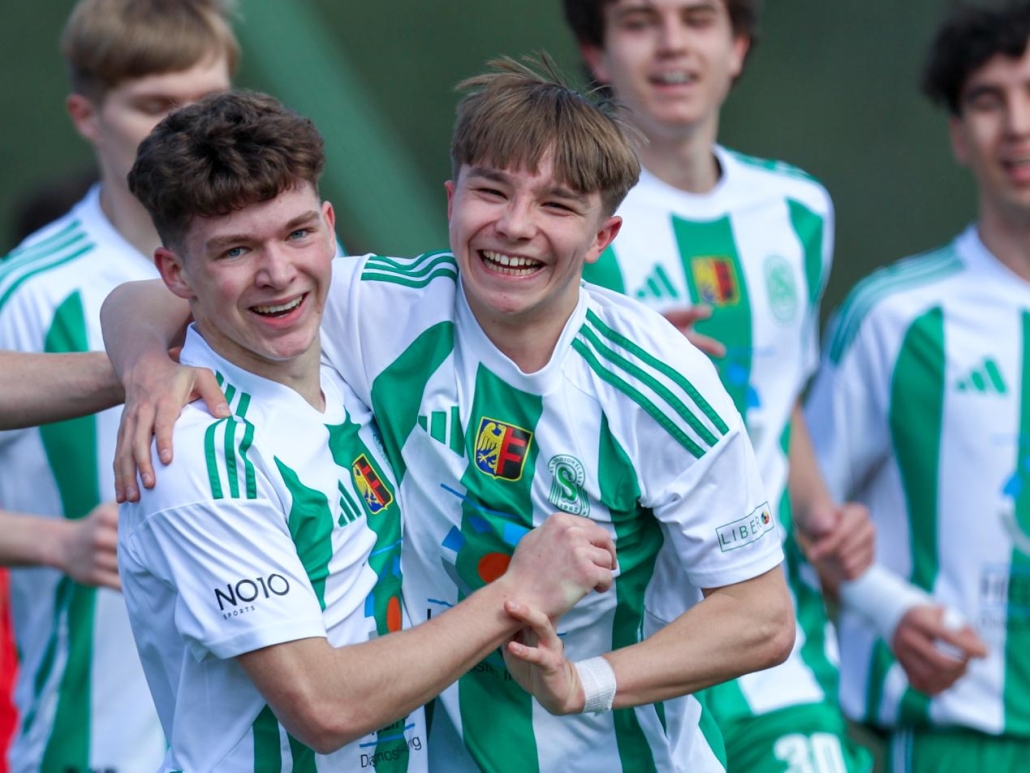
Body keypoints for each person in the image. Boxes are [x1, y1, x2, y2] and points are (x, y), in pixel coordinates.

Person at [104, 55, 794, 772]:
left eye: (557, 206)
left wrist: (583, 683)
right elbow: (165, 291)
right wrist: (145, 363)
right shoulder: (378, 308)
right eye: (491, 192)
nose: (515, 226)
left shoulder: (661, 382)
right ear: (451, 200)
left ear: (602, 237)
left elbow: (762, 617)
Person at [120, 87, 617, 769]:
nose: (279, 274)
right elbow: (323, 708)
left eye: (298, 234)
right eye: (235, 251)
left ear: (330, 227)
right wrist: (519, 591)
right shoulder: (198, 453)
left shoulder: (347, 364)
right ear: (176, 273)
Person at [562, 1, 874, 770]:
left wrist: (821, 515)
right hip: (624, 648)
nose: (672, 44)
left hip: (777, 645)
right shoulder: (563, 220)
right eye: (641, 21)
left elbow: (778, 391)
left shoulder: (798, 211)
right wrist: (619, 359)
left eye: (698, 18)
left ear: (737, 47)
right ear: (597, 53)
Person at [0, 1, 237, 768]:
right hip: (93, 745)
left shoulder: (284, 272)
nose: (189, 129)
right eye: (155, 104)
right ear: (86, 115)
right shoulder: (34, 291)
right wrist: (53, 541)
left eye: (209, 99)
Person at [806, 1, 1030, 770]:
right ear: (958, 134)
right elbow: (794, 519)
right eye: (988, 101)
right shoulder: (896, 317)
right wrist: (885, 606)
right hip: (952, 742)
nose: (1017, 125)